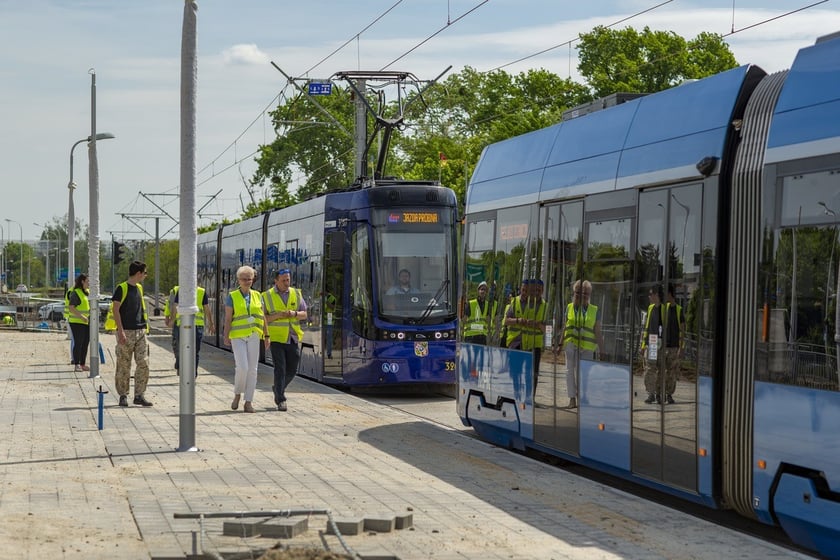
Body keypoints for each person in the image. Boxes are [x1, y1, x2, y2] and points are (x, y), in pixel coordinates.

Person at [262, 269, 308, 411]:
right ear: (276, 281)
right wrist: (278, 315)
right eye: (283, 280)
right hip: (276, 338)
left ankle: (278, 388)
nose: (287, 283)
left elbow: (304, 314)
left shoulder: (296, 293)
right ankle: (281, 399)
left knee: (292, 369)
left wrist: (294, 313)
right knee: (280, 369)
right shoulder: (267, 296)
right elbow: (263, 318)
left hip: (292, 337)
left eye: (288, 280)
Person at [223, 266, 266, 413]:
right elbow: (228, 318)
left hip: (254, 335)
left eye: (249, 279)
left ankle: (248, 402)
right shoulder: (232, 296)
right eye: (244, 279)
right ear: (238, 280)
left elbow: (263, 316)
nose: (247, 282)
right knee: (242, 367)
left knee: (253, 370)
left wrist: (266, 336)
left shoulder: (258, 296)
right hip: (237, 336)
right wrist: (226, 335)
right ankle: (237, 394)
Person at [112, 261, 152, 407]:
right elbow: (115, 310)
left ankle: (139, 395)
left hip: (140, 331)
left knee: (143, 363)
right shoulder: (121, 288)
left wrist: (145, 327)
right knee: (124, 364)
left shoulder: (139, 288)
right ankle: (123, 394)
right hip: (126, 332)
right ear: (139, 273)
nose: (145, 276)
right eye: (145, 273)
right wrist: (120, 331)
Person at [560, 279, 602, 409]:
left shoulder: (594, 310)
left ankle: (583, 397)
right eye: (578, 293)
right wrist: (559, 344)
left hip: (587, 347)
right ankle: (572, 399)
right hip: (571, 344)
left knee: (584, 374)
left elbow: (598, 331)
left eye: (585, 293)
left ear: (589, 295)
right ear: (574, 293)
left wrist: (602, 349)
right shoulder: (569, 307)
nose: (582, 296)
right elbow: (565, 326)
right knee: (569, 372)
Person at [643, 284, 684, 405]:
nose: (649, 296)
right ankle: (652, 393)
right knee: (650, 369)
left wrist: (681, 346)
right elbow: (647, 327)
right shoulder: (651, 308)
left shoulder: (668, 309)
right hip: (653, 343)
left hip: (663, 344)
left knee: (664, 371)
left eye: (651, 294)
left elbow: (679, 330)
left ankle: (661, 394)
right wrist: (643, 344)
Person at [167, 285, 214, 377]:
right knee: (184, 349)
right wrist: (172, 320)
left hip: (195, 325)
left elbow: (206, 308)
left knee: (193, 350)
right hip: (184, 325)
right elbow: (175, 305)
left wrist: (211, 323)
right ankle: (183, 369)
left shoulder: (201, 292)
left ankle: (192, 374)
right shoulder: (181, 290)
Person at [67, 273, 91, 372]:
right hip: (77, 322)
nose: (89, 283)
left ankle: (82, 364)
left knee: (85, 342)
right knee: (78, 342)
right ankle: (76, 364)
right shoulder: (76, 293)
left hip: (86, 322)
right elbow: (71, 307)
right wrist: (81, 316)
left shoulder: (87, 292)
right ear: (82, 282)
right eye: (87, 281)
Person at [323, 290, 336, 359]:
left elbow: (332, 307)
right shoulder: (321, 297)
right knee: (321, 338)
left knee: (329, 338)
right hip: (322, 321)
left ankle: (329, 353)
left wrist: (326, 302)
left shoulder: (332, 298)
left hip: (329, 320)